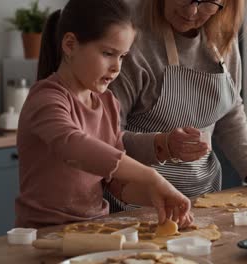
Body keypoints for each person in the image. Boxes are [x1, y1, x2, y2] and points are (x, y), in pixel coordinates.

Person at [107, 0, 247, 208]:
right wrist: (163, 144)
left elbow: (229, 113)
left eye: (208, 2)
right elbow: (105, 141)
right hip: (136, 205)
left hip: (203, 200)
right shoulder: (129, 39)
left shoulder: (221, 36)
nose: (192, 11)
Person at [15, 0, 192, 228]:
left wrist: (159, 199)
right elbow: (73, 146)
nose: (117, 67)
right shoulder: (46, 98)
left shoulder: (108, 103)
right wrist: (151, 177)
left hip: (93, 229)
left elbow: (116, 183)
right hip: (42, 233)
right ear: (70, 45)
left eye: (122, 56)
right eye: (108, 53)